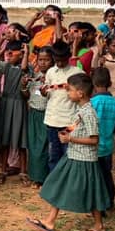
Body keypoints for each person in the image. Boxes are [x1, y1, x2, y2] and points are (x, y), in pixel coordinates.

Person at [26, 73, 111, 231]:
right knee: (61, 184)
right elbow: (77, 125)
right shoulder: (81, 109)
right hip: (74, 155)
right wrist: (67, 132)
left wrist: (70, 138)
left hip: (84, 160)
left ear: (80, 93)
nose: (67, 93)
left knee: (90, 192)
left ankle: (99, 225)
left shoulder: (89, 112)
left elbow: (94, 139)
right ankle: (50, 221)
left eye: (70, 90)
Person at [0, 41, 29, 180]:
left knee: (21, 138)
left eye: (12, 52)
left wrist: (25, 53)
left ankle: (23, 170)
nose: (9, 55)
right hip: (6, 103)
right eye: (8, 52)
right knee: (4, 138)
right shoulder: (6, 65)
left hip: (19, 103)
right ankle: (3, 169)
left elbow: (25, 68)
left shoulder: (26, 67)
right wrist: (3, 50)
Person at [42, 41, 78, 172]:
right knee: (53, 155)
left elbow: (82, 95)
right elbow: (47, 93)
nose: (60, 63)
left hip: (69, 121)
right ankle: (55, 185)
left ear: (68, 57)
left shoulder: (76, 73)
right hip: (52, 120)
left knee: (68, 154)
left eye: (62, 60)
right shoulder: (51, 72)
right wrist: (43, 92)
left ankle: (67, 183)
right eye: (57, 60)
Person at [90, 67, 115, 210]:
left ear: (93, 83)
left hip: (92, 146)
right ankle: (110, 201)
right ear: (109, 82)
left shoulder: (91, 103)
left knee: (95, 177)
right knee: (106, 174)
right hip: (108, 145)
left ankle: (97, 203)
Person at [25, 46, 53, 186]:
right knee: (34, 146)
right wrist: (24, 86)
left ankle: (46, 177)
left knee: (45, 147)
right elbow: (26, 95)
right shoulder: (34, 76)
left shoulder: (53, 77)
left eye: (46, 60)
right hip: (34, 114)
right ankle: (35, 176)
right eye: (40, 60)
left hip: (47, 115)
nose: (43, 63)